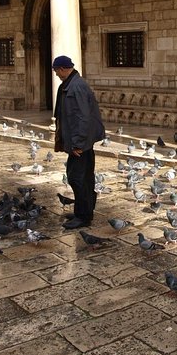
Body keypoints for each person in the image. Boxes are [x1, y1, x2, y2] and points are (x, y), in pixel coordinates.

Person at [52, 55, 106, 229]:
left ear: (61, 69)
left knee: (78, 178)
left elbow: (83, 118)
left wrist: (77, 144)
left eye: (56, 71)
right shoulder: (71, 84)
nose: (56, 75)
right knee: (83, 177)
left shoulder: (77, 86)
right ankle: (83, 210)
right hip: (80, 142)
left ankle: (83, 216)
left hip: (80, 143)